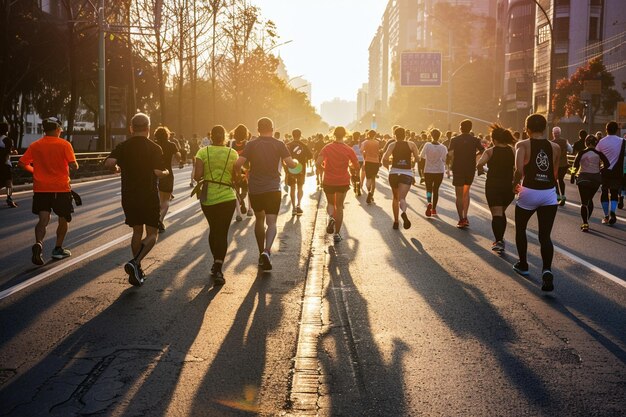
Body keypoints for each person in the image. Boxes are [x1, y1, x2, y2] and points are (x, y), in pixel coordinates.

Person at [104, 113, 170, 287]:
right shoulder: (154, 147)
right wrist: (166, 173)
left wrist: (117, 168)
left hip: (129, 196)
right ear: (149, 128)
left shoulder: (123, 146)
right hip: (148, 195)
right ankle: (135, 263)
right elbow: (158, 172)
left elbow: (109, 163)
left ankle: (137, 268)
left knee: (136, 232)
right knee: (153, 234)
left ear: (131, 128)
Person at [234, 117, 296, 271]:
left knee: (259, 220)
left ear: (258, 129)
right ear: (272, 128)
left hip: (255, 188)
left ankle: (261, 251)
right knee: (272, 223)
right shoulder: (279, 144)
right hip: (273, 188)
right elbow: (290, 164)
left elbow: (237, 164)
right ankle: (267, 251)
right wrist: (295, 163)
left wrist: (240, 175)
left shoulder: (251, 144)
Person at [18, 117, 78, 264]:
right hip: (61, 188)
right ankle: (58, 249)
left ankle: (39, 243)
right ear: (58, 129)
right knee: (63, 219)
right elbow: (74, 165)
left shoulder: (35, 145)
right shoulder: (64, 144)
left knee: (43, 220)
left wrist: (35, 171)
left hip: (41, 189)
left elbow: (21, 163)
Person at [512, 114, 560, 292]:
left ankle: (523, 264)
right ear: (545, 128)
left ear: (527, 129)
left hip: (529, 191)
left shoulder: (522, 145)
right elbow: (554, 174)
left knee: (521, 228)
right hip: (548, 194)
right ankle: (546, 269)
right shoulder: (555, 147)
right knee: (545, 236)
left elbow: (518, 170)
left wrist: (514, 187)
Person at [194, 125, 239, 285]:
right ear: (225, 137)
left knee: (214, 230)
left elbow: (196, 176)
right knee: (223, 232)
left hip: (208, 198)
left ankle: (216, 262)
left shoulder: (202, 152)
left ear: (211, 136)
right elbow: (236, 177)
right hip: (227, 197)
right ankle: (218, 265)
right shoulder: (232, 153)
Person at [476, 124, 516, 253]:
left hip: (493, 185)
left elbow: (479, 164)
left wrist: (482, 169)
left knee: (497, 214)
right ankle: (500, 239)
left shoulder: (490, 151)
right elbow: (519, 166)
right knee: (501, 212)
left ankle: (499, 241)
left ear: (494, 139)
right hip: (508, 186)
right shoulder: (513, 150)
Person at [316, 126, 360, 242]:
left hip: (329, 180)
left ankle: (331, 217)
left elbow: (317, 163)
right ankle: (337, 234)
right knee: (339, 206)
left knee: (331, 203)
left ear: (334, 134)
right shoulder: (348, 149)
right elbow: (357, 165)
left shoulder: (327, 148)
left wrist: (325, 169)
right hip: (343, 181)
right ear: (345, 135)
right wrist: (353, 170)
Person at [448, 119, 484, 228]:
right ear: (470, 128)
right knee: (466, 193)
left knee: (459, 196)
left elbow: (450, 154)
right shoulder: (475, 140)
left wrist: (456, 156)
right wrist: (474, 155)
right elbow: (483, 150)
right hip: (470, 168)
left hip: (458, 168)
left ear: (460, 128)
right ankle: (466, 216)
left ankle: (461, 219)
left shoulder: (455, 139)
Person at [382, 127, 420, 230]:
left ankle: (395, 221)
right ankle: (403, 212)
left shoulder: (392, 145)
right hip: (406, 173)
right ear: (405, 135)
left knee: (395, 198)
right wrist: (413, 159)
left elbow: (384, 159)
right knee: (402, 198)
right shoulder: (411, 144)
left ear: (395, 135)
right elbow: (418, 159)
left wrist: (388, 168)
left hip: (394, 173)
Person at [571, 135, 609, 232]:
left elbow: (574, 165)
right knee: (589, 199)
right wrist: (600, 170)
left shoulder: (582, 152)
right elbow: (607, 164)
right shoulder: (599, 153)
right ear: (596, 143)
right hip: (595, 179)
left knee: (584, 203)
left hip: (583, 178)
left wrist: (572, 175)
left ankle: (585, 223)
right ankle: (587, 219)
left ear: (586, 143)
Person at [595, 121, 625, 225]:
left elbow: (596, 156)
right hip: (617, 171)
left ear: (606, 130)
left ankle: (606, 216)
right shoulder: (622, 141)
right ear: (617, 130)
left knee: (604, 192)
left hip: (605, 171)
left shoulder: (601, 142)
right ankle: (613, 211)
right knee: (614, 192)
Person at [154, 126, 180, 233]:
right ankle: (160, 220)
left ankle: (157, 219)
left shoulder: (154, 145)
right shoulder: (171, 145)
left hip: (156, 174)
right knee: (167, 199)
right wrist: (180, 160)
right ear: (167, 135)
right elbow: (178, 155)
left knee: (160, 199)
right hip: (168, 173)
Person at [420, 128, 447, 217]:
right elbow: (445, 159)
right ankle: (434, 209)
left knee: (429, 189)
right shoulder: (443, 147)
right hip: (439, 171)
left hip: (428, 170)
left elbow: (422, 156)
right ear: (439, 136)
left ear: (431, 135)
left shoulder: (427, 145)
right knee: (436, 190)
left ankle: (429, 202)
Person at [286, 128, 312, 215]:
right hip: (301, 168)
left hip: (290, 169)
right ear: (300, 135)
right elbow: (310, 156)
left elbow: (283, 157)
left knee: (292, 188)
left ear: (292, 135)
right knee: (300, 187)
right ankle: (299, 205)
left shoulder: (288, 145)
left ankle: (293, 208)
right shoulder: (304, 145)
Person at [230, 124, 252, 220]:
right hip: (246, 170)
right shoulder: (248, 144)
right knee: (247, 190)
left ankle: (238, 213)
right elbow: (251, 158)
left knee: (236, 190)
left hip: (234, 170)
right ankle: (250, 209)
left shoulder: (230, 144)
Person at [551, 127, 572, 206]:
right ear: (560, 133)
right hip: (564, 164)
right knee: (561, 180)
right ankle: (563, 195)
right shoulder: (564, 141)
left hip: (555, 165)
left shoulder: (552, 143)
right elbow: (570, 150)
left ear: (553, 133)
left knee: (555, 180)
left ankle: (559, 196)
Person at [361, 129, 381, 204]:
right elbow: (379, 151)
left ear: (368, 135)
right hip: (375, 161)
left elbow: (361, 150)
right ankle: (372, 194)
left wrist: (365, 152)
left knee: (368, 178)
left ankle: (369, 191)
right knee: (373, 179)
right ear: (375, 135)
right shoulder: (377, 142)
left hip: (368, 161)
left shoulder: (365, 142)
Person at [0, 122, 18, 207]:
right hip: (5, 164)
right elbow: (7, 153)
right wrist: (13, 152)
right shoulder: (8, 140)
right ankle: (9, 198)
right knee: (8, 183)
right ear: (7, 130)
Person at [351, 132, 364, 196]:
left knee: (352, 173)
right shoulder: (361, 143)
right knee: (358, 173)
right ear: (359, 136)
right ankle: (358, 187)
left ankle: (354, 185)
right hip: (361, 160)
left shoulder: (350, 143)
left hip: (352, 160)